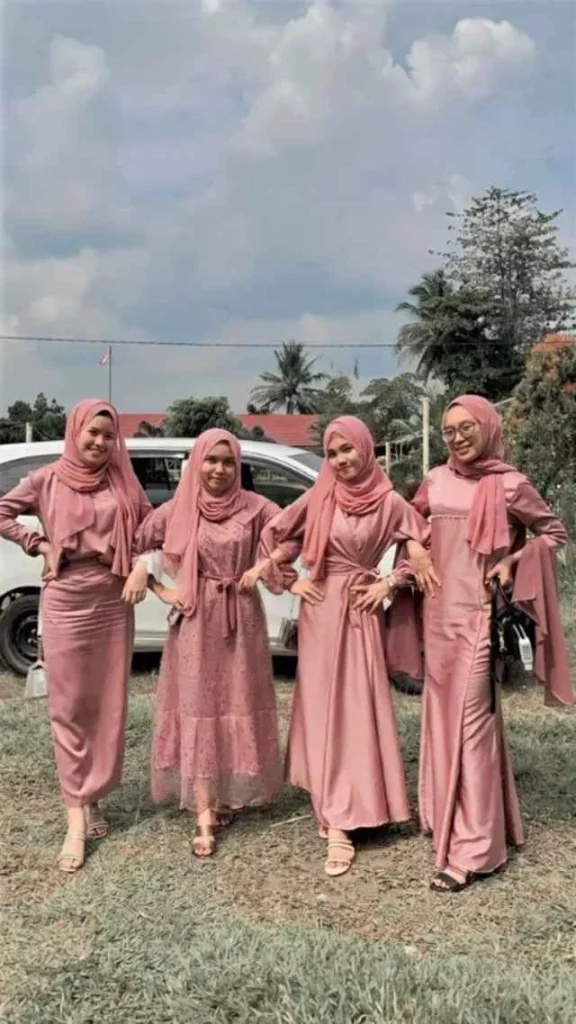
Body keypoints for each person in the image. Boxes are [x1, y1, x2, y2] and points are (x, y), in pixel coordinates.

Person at [248, 416, 435, 877]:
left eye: (347, 449)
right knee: (325, 710)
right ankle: (337, 817)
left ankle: (360, 803)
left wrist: (390, 581)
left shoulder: (390, 501)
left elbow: (424, 542)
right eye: (332, 453)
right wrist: (288, 581)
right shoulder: (320, 495)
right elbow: (278, 537)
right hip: (321, 611)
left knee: (358, 709)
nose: (340, 460)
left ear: (365, 448)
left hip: (361, 610)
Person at [409, 394, 571, 893]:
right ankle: (445, 815)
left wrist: (512, 560)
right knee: (442, 721)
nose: (457, 438)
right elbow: (407, 524)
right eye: (448, 430)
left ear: (487, 427)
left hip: (479, 619)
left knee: (473, 728)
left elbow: (554, 533)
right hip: (436, 617)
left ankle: (476, 851)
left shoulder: (510, 484)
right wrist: (415, 548)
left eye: (466, 428)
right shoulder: (435, 479)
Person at [0, 400, 153, 872]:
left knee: (106, 705)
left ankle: (94, 798)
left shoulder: (122, 481)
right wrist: (39, 544)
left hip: (112, 598)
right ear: (75, 431)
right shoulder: (46, 479)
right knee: (68, 708)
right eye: (92, 433)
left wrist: (143, 565)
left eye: (108, 436)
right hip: (66, 597)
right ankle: (74, 820)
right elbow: (2, 511)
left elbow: (150, 528)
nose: (100, 442)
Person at [129, 428, 294, 857]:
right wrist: (160, 588)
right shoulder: (178, 508)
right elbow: (136, 544)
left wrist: (262, 567)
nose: (219, 469)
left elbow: (296, 531)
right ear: (197, 462)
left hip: (242, 617)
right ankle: (203, 810)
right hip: (195, 619)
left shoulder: (257, 507)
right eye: (211, 460)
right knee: (199, 706)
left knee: (234, 701)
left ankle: (224, 794)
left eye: (228, 462)